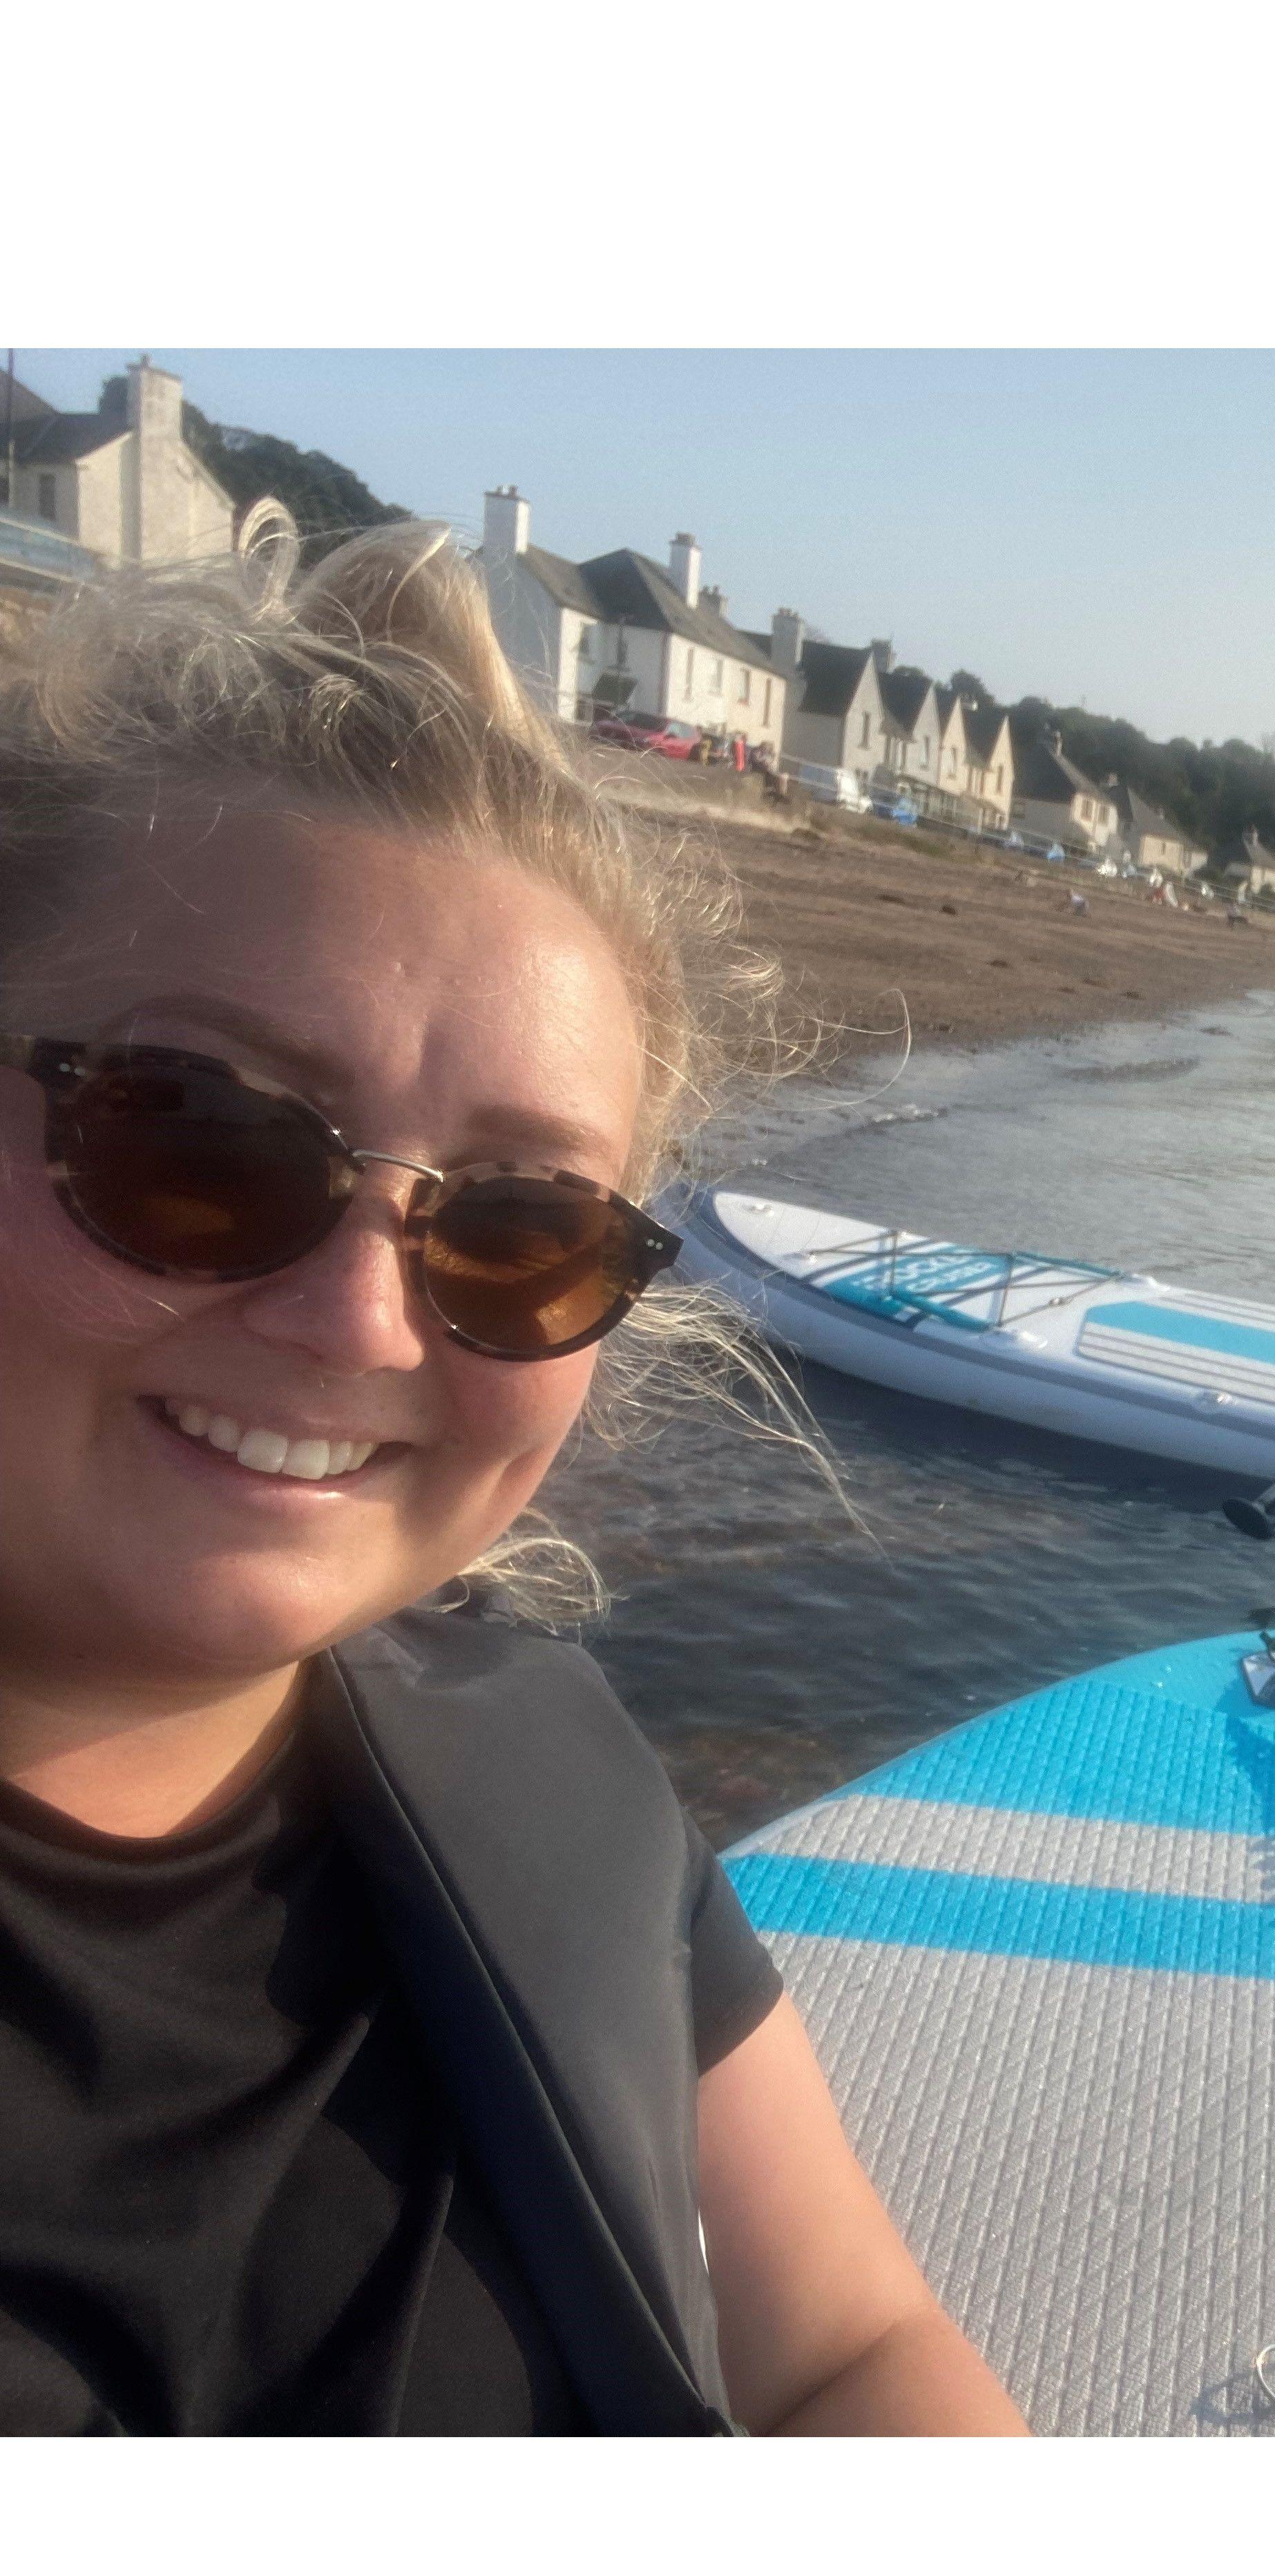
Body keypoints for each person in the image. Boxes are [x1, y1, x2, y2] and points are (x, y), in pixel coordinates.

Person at [0, 520, 1024, 2435]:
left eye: (512, 1234)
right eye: (194, 1141)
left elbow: (847, 2350)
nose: (360, 1326)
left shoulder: (527, 1748)